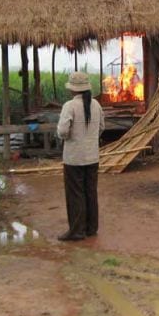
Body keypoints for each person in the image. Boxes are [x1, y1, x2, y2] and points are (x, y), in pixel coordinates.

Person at [56, 71, 105, 241]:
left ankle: (77, 230)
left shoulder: (69, 106)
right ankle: (91, 228)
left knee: (75, 193)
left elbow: (62, 131)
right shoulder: (96, 105)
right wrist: (91, 139)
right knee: (90, 191)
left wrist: (68, 137)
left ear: (73, 89)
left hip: (74, 158)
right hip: (92, 157)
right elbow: (101, 128)